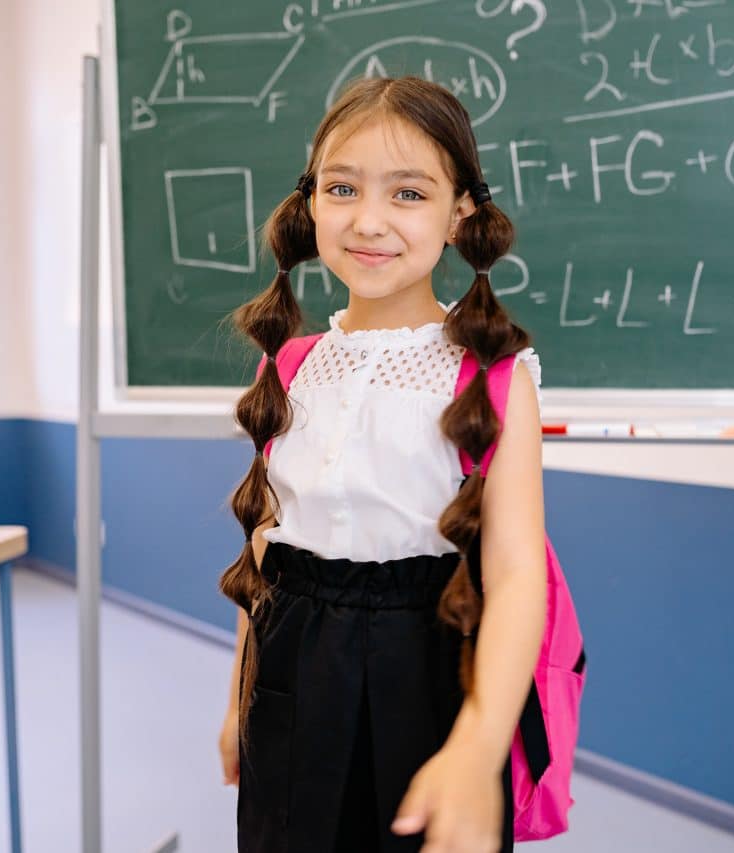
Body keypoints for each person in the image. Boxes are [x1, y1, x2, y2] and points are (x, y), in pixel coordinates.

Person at [217, 75, 547, 853]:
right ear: (311, 203)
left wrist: (476, 749)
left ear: (460, 209)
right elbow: (264, 550)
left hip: (430, 670)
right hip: (292, 678)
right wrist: (237, 699)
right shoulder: (290, 365)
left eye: (408, 193)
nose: (368, 221)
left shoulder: (493, 375)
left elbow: (518, 574)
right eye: (342, 188)